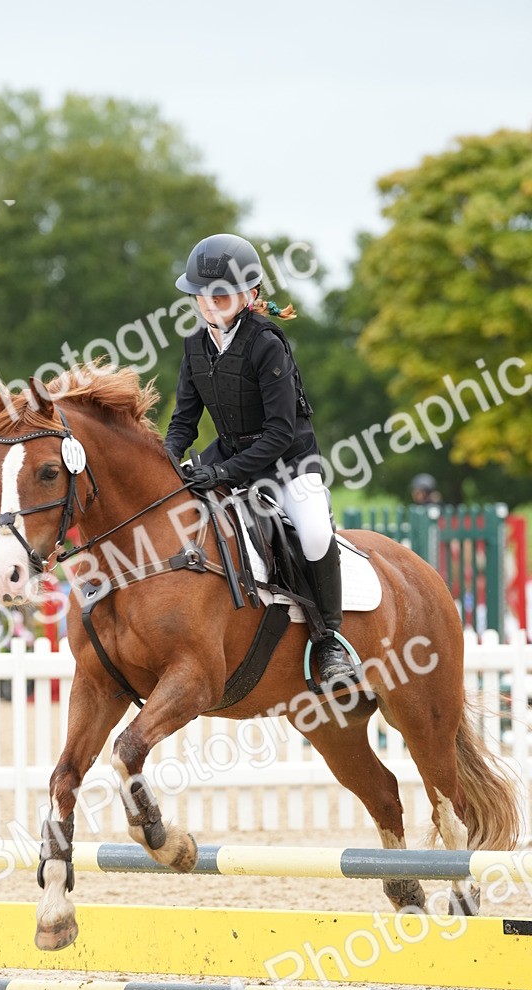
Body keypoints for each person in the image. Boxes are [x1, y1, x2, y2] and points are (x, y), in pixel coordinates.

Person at [164, 232, 357, 685]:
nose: (209, 304)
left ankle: (330, 642)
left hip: (289, 463)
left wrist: (224, 471)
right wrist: (167, 460)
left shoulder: (266, 342)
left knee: (312, 534)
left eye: (221, 294)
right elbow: (183, 424)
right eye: (201, 295)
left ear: (249, 295)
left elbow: (280, 431)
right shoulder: (195, 345)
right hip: (228, 458)